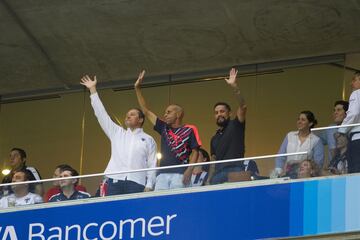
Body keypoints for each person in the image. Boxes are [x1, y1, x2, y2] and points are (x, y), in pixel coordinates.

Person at [81, 75, 157, 195]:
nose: (128, 116)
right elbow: (101, 115)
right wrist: (93, 90)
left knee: (134, 213)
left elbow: (152, 164)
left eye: (132, 114)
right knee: (114, 212)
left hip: (137, 181)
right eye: (127, 114)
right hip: (115, 179)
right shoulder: (117, 133)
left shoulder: (149, 139)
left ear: (141, 119)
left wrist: (150, 184)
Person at [134, 70, 201, 190]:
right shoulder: (163, 127)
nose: (165, 115)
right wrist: (137, 89)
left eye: (169, 112)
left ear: (179, 114)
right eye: (165, 113)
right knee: (161, 205)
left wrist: (189, 171)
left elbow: (195, 152)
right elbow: (146, 111)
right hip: (162, 175)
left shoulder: (190, 129)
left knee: (179, 204)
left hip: (180, 174)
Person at [207, 68, 259, 185]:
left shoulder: (236, 125)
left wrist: (234, 87)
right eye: (216, 112)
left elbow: (243, 107)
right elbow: (213, 161)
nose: (219, 114)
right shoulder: (214, 138)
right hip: (218, 175)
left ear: (229, 113)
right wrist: (209, 180)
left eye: (222, 111)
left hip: (236, 170)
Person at [274, 111, 324, 178]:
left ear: (310, 123)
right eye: (298, 119)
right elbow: (281, 156)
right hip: (289, 174)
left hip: (305, 177)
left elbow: (318, 164)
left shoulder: (316, 140)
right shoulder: (290, 135)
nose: (299, 122)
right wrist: (278, 172)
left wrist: (299, 162)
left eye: (303, 120)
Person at [337, 71, 360, 173]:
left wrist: (342, 130)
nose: (351, 83)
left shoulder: (357, 93)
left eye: (354, 80)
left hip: (358, 139)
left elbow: (354, 113)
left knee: (355, 173)